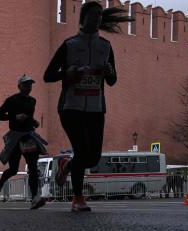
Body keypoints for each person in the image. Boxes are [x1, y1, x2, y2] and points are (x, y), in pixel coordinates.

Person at [44, 2, 130, 212]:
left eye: (100, 16)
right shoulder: (69, 45)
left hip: (96, 108)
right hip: (70, 107)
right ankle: (78, 198)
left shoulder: (106, 46)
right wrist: (68, 73)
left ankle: (66, 165)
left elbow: (112, 80)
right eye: (93, 15)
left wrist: (109, 71)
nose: (97, 19)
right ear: (83, 18)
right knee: (82, 150)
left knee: (93, 157)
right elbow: (48, 76)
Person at [0, 75, 48, 210]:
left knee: (33, 168)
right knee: (13, 169)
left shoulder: (32, 101)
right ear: (19, 86)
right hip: (15, 138)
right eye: (26, 85)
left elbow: (29, 116)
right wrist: (14, 116)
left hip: (29, 137)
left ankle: (35, 197)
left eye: (30, 85)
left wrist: (32, 121)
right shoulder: (11, 100)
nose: (28, 87)